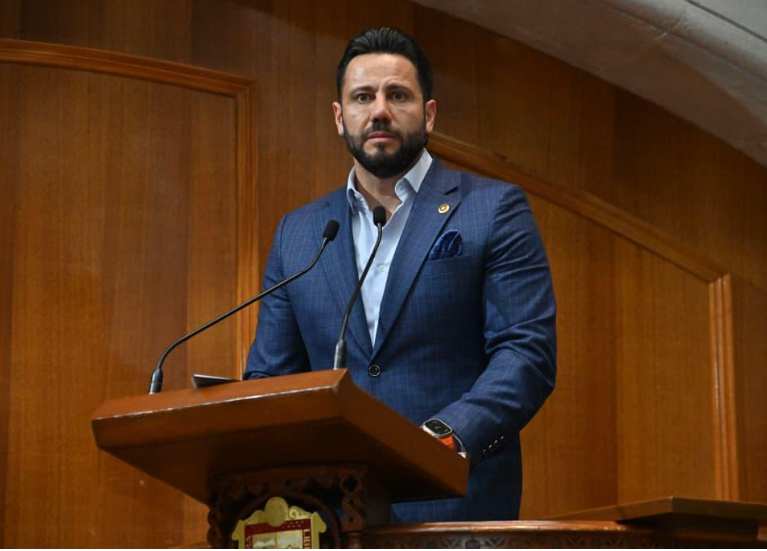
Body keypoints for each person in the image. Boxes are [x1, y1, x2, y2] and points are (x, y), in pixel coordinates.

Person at [244, 27, 556, 523]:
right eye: (363, 97)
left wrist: (442, 438)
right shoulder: (299, 234)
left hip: (456, 507)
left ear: (428, 114)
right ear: (339, 117)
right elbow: (272, 376)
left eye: (398, 95)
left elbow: (526, 354)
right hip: (334, 517)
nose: (380, 111)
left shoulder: (493, 209)